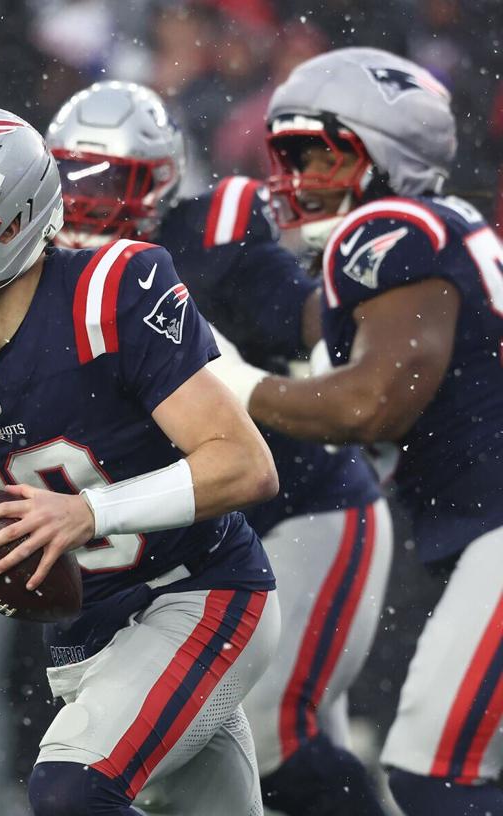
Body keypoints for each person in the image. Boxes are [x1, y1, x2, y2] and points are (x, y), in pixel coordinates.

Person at [0, 103, 280, 815]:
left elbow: (245, 466)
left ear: (14, 219)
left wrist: (91, 513)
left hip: (198, 590)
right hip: (84, 633)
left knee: (70, 792)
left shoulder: (110, 293)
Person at [44, 80, 392, 815]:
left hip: (302, 505)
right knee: (232, 751)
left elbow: (309, 321)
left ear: (162, 179)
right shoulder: (48, 273)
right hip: (198, 542)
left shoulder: (212, 239)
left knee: (272, 737)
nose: (86, 201)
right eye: (71, 177)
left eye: (110, 180)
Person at [208, 47, 503, 815]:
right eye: (287, 157)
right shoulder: (437, 228)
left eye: (315, 155)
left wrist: (229, 384)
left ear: (384, 155)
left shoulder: (389, 228)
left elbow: (370, 404)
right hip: (480, 524)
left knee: (434, 769)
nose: (293, 178)